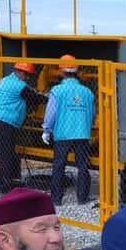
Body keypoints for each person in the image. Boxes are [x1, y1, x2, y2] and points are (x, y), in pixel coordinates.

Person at [41, 56, 96, 204]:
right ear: (77, 71)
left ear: (61, 71)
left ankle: (56, 199)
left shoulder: (57, 91)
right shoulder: (87, 92)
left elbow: (51, 112)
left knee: (59, 165)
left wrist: (47, 129)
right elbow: (92, 114)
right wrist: (87, 127)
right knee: (83, 166)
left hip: (63, 134)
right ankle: (82, 198)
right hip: (82, 134)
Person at [0, 62, 44, 193]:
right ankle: (5, 188)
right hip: (4, 123)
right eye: (27, 75)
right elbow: (36, 97)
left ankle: (10, 182)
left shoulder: (4, 81)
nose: (28, 78)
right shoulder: (19, 86)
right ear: (22, 72)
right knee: (6, 155)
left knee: (4, 153)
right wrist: (50, 97)